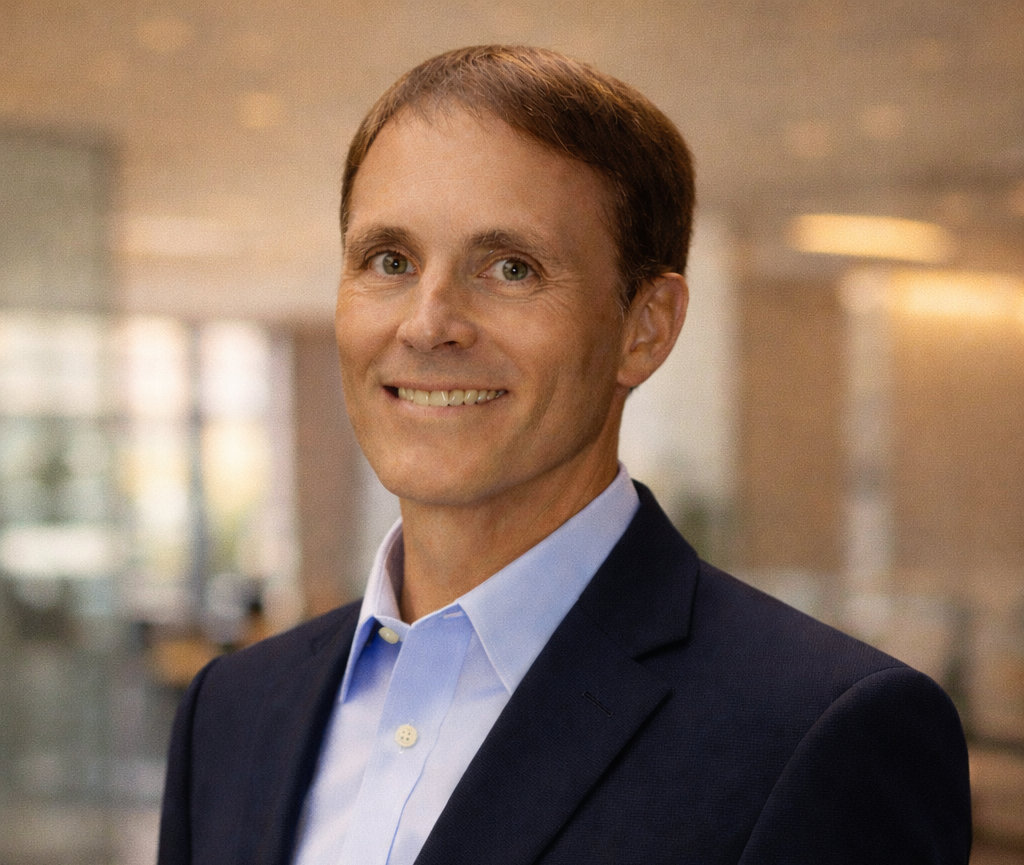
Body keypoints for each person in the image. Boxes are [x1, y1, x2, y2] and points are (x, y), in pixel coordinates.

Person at [157, 46, 971, 864]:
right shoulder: (232, 710)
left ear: (645, 328)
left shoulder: (821, 732)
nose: (428, 321)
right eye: (390, 261)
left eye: (510, 268)